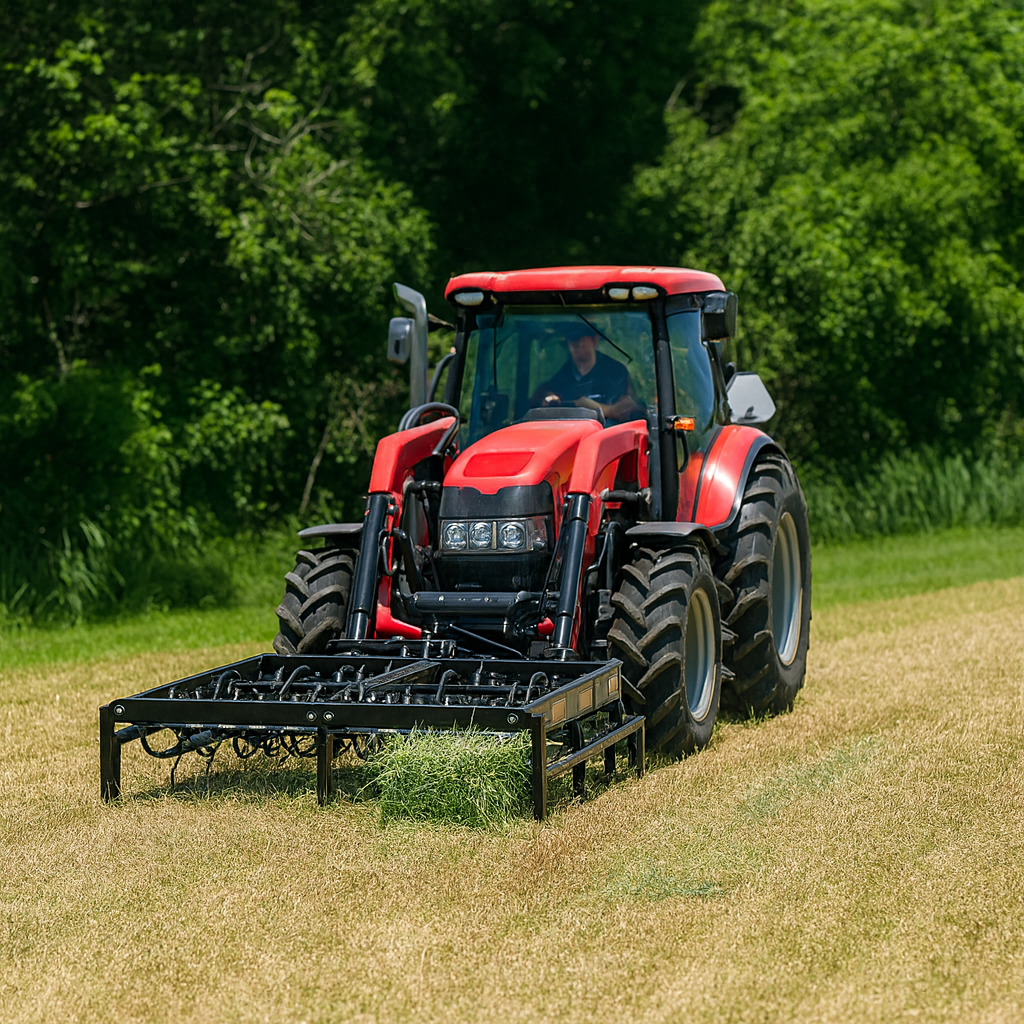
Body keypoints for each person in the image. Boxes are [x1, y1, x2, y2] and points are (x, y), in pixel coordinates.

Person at [531, 321, 643, 423]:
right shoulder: (561, 376)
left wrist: (595, 408)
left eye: (581, 341)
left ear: (595, 340)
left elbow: (627, 411)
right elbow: (541, 400)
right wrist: (548, 398)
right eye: (572, 341)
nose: (576, 346)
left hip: (607, 436)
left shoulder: (617, 372)